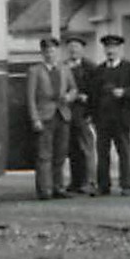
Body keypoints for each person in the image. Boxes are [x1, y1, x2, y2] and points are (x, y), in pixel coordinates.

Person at [92, 33, 130, 196]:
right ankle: (103, 186)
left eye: (113, 47)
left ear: (120, 49)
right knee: (102, 153)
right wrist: (92, 116)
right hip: (102, 119)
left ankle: (126, 185)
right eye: (107, 48)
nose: (110, 51)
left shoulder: (129, 68)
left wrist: (125, 92)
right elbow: (93, 95)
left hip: (122, 118)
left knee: (124, 151)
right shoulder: (99, 71)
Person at [26, 36, 75, 200]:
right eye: (46, 51)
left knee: (60, 154)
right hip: (44, 116)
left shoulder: (65, 69)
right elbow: (30, 98)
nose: (50, 54)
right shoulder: (35, 71)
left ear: (58, 52)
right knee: (44, 155)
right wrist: (35, 119)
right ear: (42, 53)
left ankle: (58, 187)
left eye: (53, 51)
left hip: (62, 114)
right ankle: (44, 190)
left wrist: (69, 96)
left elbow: (74, 89)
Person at [62, 34, 99, 195]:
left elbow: (97, 90)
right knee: (72, 149)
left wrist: (89, 102)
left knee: (87, 147)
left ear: (82, 49)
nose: (73, 50)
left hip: (84, 112)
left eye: (76, 47)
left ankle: (90, 181)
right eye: (70, 47)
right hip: (67, 113)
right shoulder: (63, 67)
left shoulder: (91, 68)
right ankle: (75, 182)